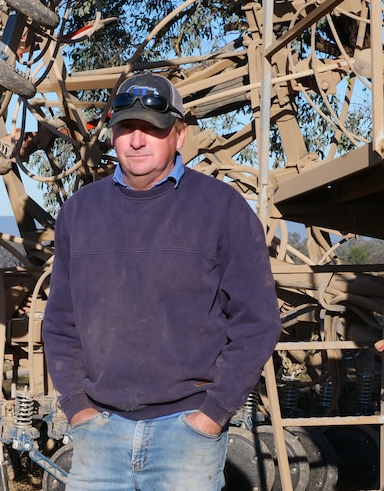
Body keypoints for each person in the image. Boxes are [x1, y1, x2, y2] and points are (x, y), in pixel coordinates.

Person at [42, 72, 281, 490]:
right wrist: (78, 409)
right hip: (100, 433)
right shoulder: (80, 212)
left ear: (179, 134)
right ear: (112, 134)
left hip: (186, 437)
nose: (137, 140)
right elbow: (60, 322)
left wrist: (211, 415)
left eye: (152, 128)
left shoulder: (221, 208)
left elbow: (257, 322)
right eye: (126, 127)